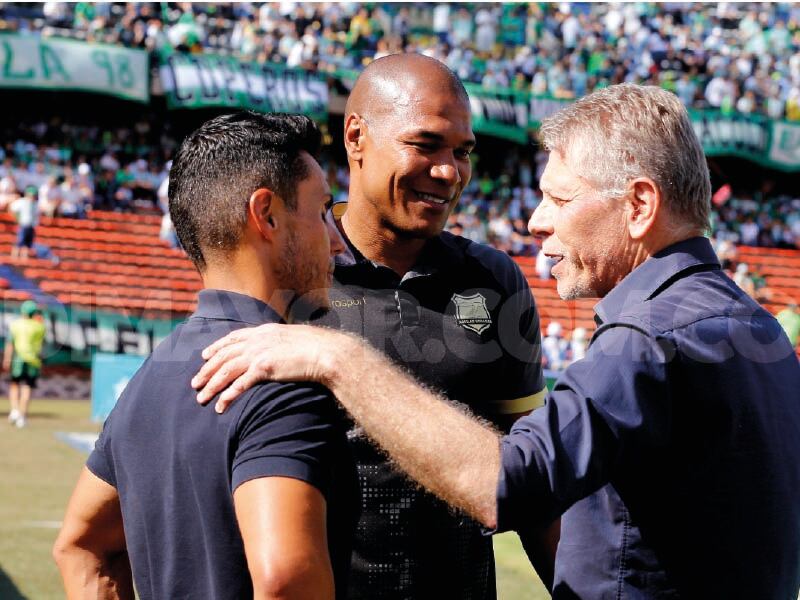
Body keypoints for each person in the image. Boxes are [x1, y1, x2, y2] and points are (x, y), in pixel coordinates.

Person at [192, 84, 800, 598]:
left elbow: (506, 482)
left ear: (639, 205)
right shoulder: (759, 328)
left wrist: (339, 357)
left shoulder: (646, 338)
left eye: (559, 198)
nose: (537, 220)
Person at [204, 54, 551, 598]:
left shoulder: (495, 280)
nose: (449, 171)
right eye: (425, 144)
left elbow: (533, 487)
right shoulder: (287, 275)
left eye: (462, 152)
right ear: (356, 137)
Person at [53, 112, 358, 600]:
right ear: (267, 215)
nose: (338, 242)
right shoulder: (279, 381)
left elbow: (82, 548)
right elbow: (285, 580)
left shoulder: (149, 377)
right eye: (323, 211)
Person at [4, 300, 46, 428]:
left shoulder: (16, 325)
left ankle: (15, 410)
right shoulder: (39, 327)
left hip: (18, 359)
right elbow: (41, 345)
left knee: (14, 385)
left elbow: (10, 344)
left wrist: (7, 359)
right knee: (27, 387)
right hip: (33, 360)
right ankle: (22, 416)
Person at [10, 185, 39, 260]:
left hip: (31, 226)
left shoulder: (35, 204)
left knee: (27, 244)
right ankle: (14, 258)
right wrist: (18, 219)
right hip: (24, 225)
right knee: (19, 242)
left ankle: (24, 259)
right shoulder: (22, 202)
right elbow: (13, 209)